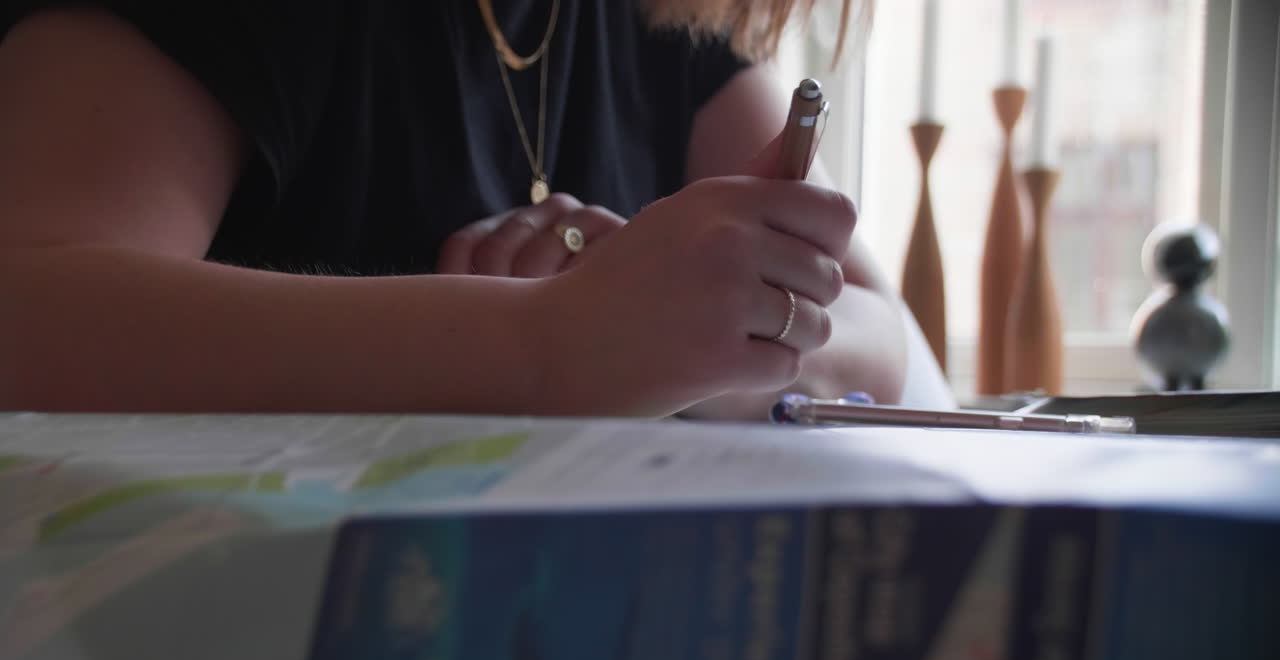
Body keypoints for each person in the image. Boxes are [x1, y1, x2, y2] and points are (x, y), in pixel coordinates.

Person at [0, 0, 950, 419]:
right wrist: (550, 345)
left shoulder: (657, 23)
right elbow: (29, 313)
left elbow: (886, 337)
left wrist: (724, 353)